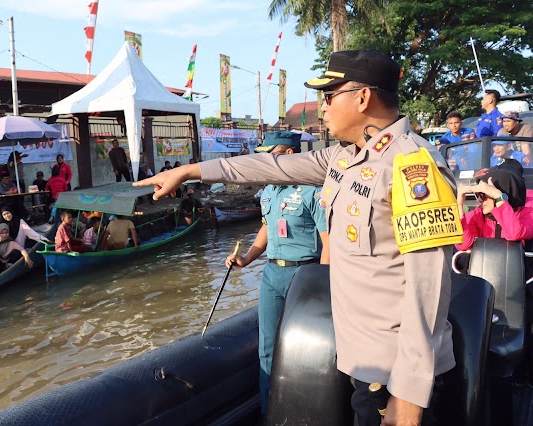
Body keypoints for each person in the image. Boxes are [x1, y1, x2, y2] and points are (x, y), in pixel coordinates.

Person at [135, 50, 462, 425]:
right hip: (361, 360)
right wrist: (192, 170)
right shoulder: (344, 158)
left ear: (362, 97)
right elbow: (269, 165)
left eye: (328, 96)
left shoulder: (412, 165)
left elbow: (429, 287)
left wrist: (409, 393)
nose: (322, 108)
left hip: (394, 374)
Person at [225, 131, 328, 414]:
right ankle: (269, 412)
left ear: (290, 156)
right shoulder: (269, 190)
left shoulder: (313, 190)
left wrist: (324, 283)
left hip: (306, 275)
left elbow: (328, 241)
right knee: (267, 348)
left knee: (307, 349)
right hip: (273, 275)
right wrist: (246, 257)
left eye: (272, 154)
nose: (266, 161)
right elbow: (267, 229)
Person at [456, 167, 533, 251]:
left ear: (504, 193)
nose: (480, 200)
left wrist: (498, 197)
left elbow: (514, 233)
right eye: (478, 195)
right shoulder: (477, 215)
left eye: (484, 195)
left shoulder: (527, 214)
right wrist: (459, 205)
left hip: (517, 264)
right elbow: (463, 245)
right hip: (485, 263)